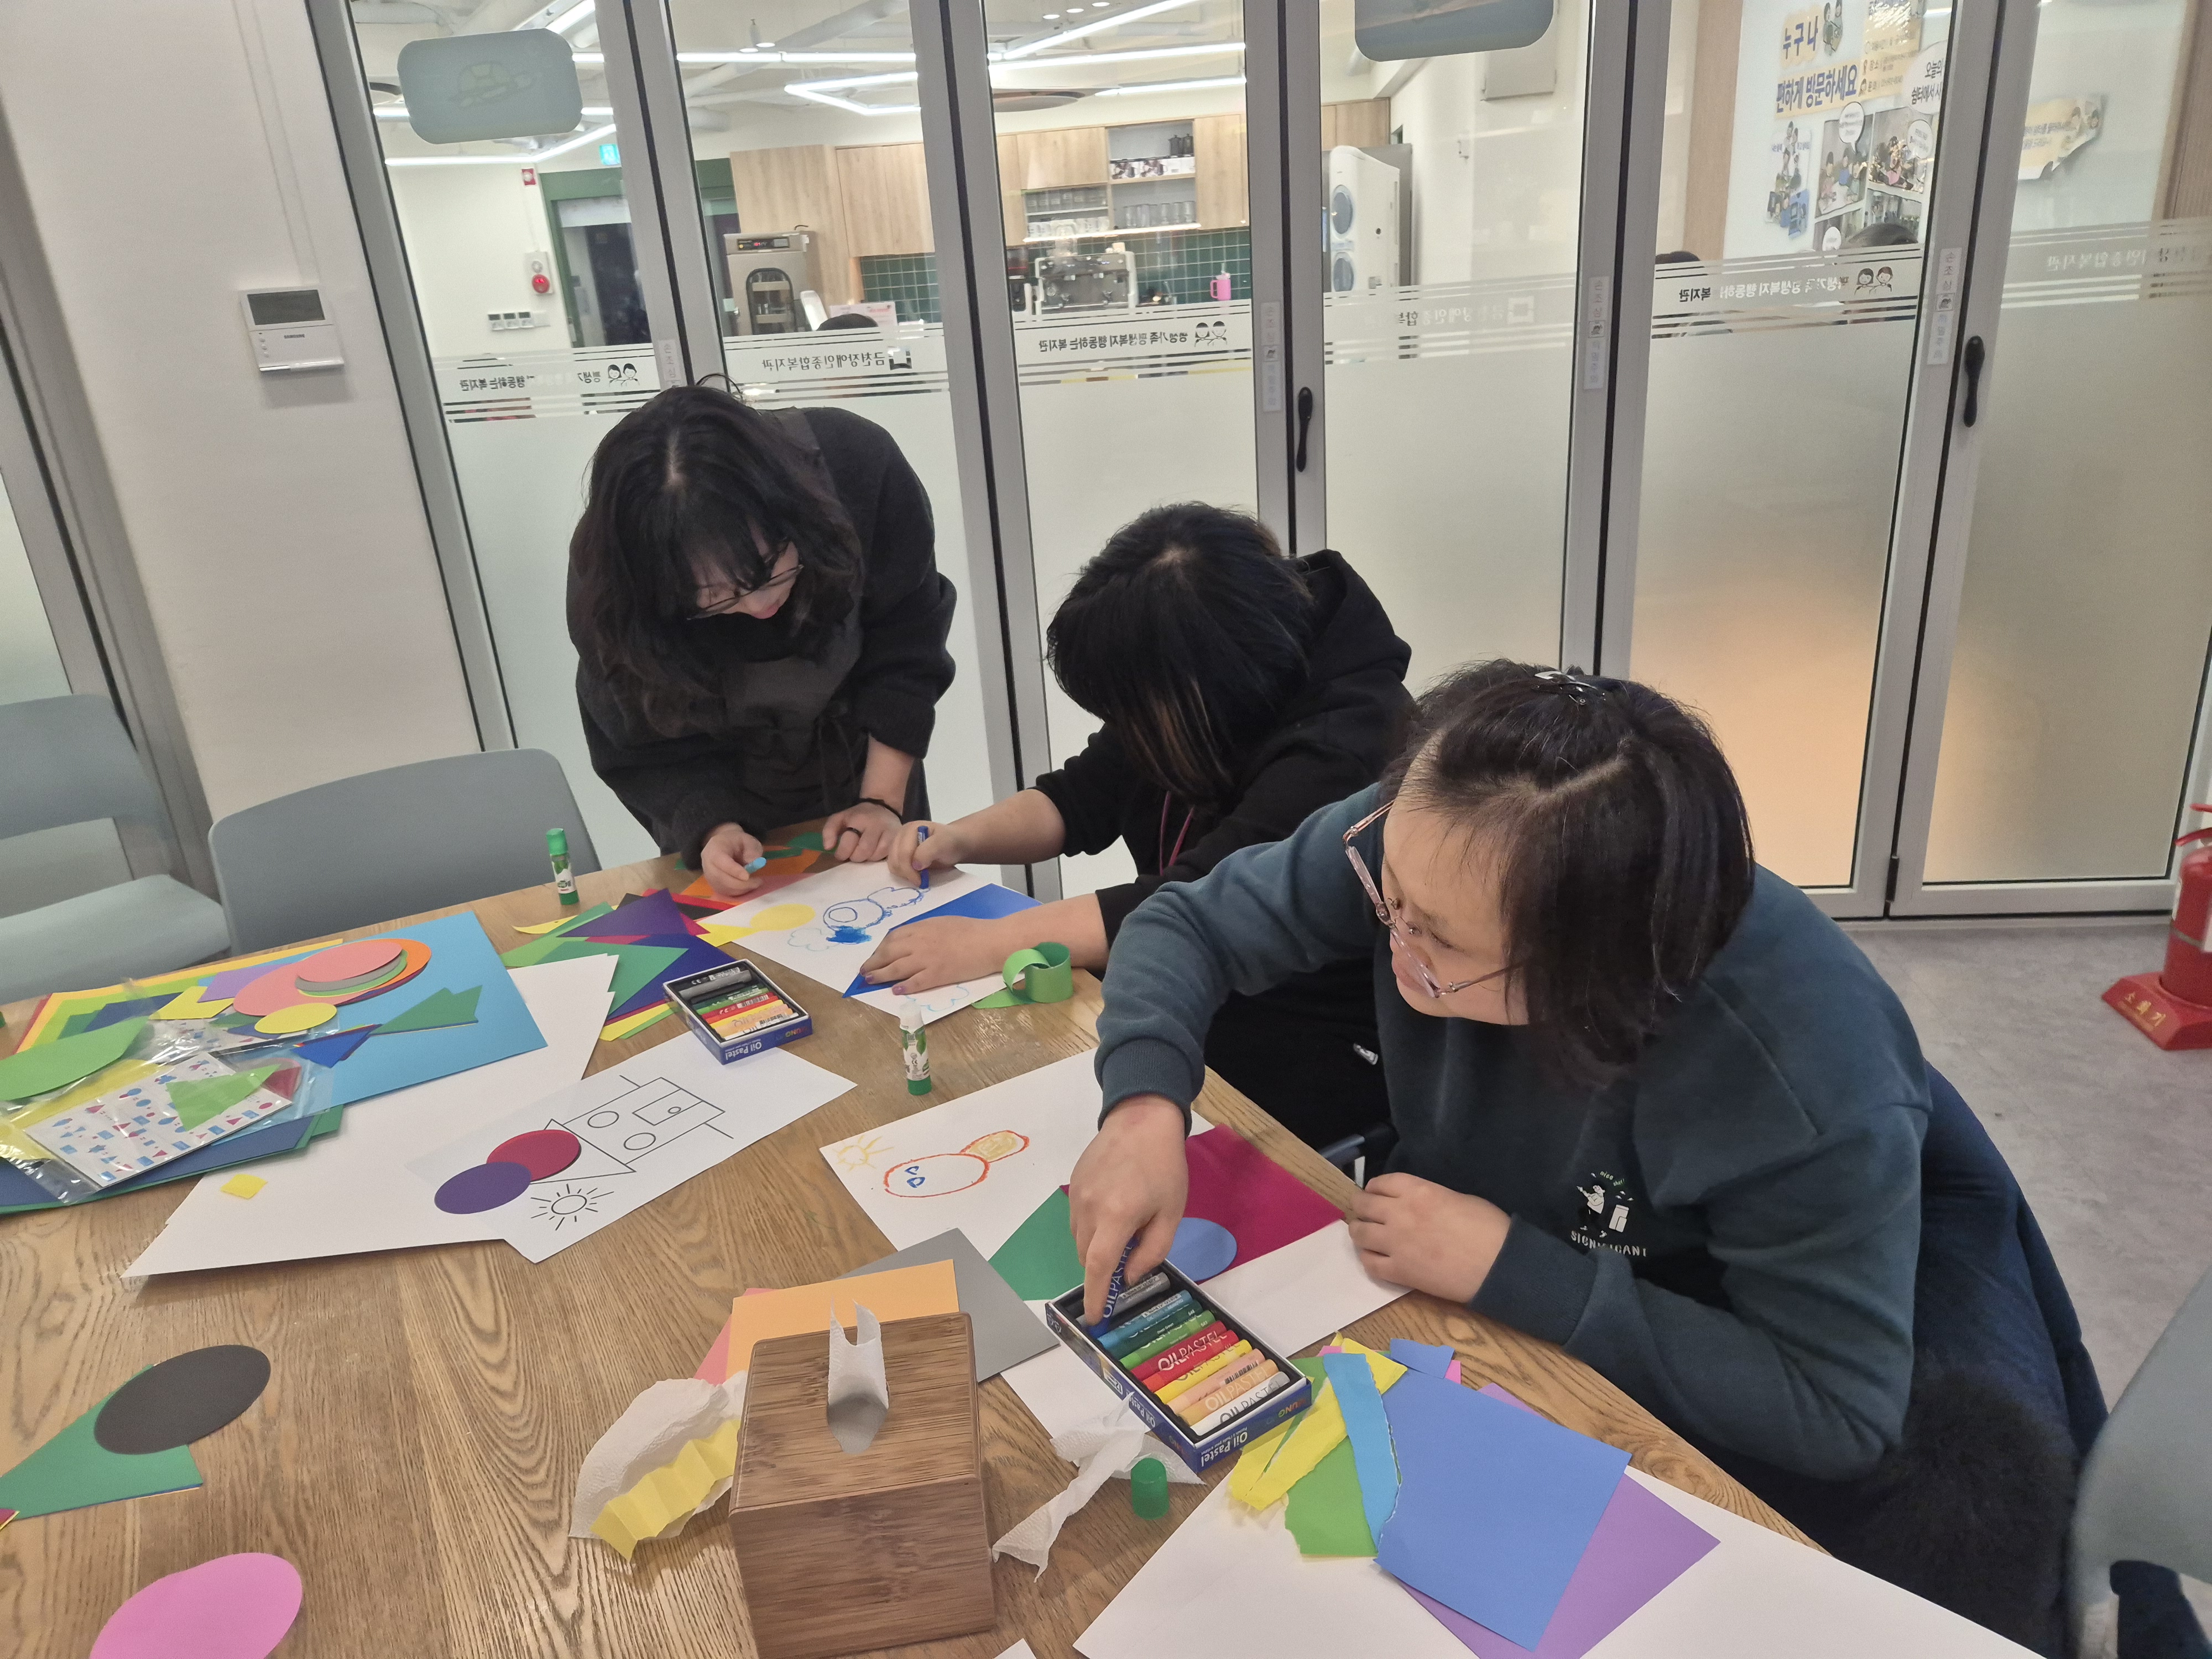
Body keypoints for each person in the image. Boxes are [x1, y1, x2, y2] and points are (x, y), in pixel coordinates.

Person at [1065, 661, 2103, 1648]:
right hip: (1510, 1263)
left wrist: (1513, 1266)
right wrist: (1146, 1107)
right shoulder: (1443, 834)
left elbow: (1834, 1410)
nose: (1393, 937)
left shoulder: (1799, 1073)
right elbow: (1187, 925)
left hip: (1725, 1317)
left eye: (1440, 943)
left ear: (1593, 974)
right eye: (1390, 899)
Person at [864, 503, 1412, 1152]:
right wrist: (961, 838)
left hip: (1306, 1036)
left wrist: (992, 941)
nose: (1126, 729)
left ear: (1199, 686)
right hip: (1185, 986)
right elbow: (1079, 797)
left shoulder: (1345, 748)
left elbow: (1194, 904)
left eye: (1133, 709)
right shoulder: (1202, 688)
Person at [567, 383, 955, 895]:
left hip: (867, 756)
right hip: (719, 781)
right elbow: (641, 734)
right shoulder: (614, 584)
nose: (758, 606)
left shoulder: (857, 464)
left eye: (771, 567)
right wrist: (712, 828)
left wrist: (881, 800)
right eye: (713, 597)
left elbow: (908, 641)